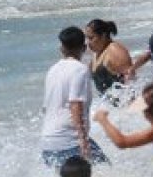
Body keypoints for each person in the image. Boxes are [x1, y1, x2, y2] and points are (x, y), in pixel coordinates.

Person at [42, 26, 106, 168]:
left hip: (48, 142)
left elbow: (46, 108)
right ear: (84, 48)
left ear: (61, 48)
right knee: (106, 174)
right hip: (70, 142)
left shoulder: (52, 70)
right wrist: (83, 140)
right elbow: (75, 104)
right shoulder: (80, 69)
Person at [85, 19, 134, 96]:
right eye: (87, 38)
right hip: (107, 104)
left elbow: (130, 78)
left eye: (91, 38)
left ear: (103, 36)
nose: (88, 42)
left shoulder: (115, 50)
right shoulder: (96, 54)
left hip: (121, 104)